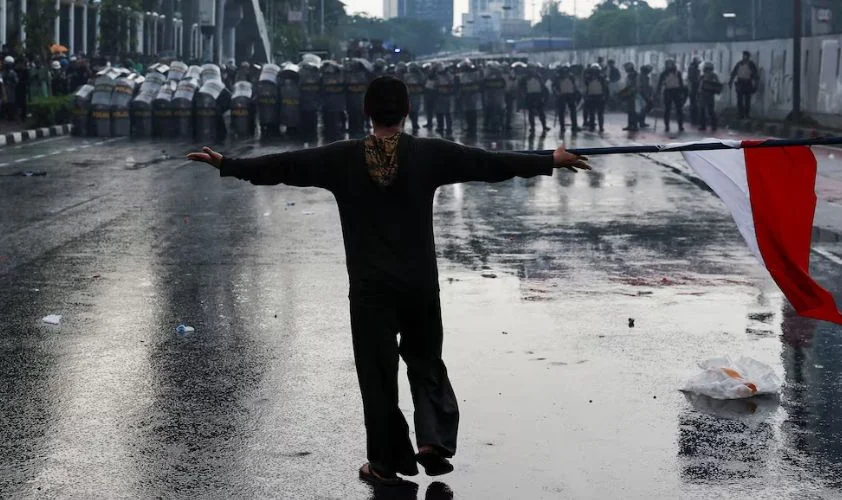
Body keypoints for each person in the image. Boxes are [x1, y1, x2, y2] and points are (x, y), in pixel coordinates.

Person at [186, 75, 590, 488]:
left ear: (366, 112)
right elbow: (490, 163)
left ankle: (385, 462)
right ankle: (432, 442)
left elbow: (285, 165)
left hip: (370, 289)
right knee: (426, 360)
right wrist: (549, 159)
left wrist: (228, 164)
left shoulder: (341, 158)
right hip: (419, 284)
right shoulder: (429, 154)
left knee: (377, 376)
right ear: (407, 111)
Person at [656, 59, 685, 133]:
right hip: (668, 91)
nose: (669, 65)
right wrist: (658, 92)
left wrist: (682, 92)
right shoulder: (664, 73)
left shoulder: (677, 73)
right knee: (667, 109)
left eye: (670, 63)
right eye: (668, 64)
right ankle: (667, 125)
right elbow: (659, 83)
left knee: (679, 109)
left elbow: (681, 83)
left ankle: (680, 125)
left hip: (677, 91)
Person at [729, 51, 758, 119]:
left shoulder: (751, 64)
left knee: (747, 100)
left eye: (746, 56)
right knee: (739, 100)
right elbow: (734, 73)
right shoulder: (739, 64)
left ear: (748, 57)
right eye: (744, 55)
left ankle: (746, 114)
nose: (745, 57)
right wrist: (730, 82)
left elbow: (755, 75)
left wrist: (756, 85)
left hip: (748, 83)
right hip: (740, 83)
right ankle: (740, 114)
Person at [583, 62, 608, 133]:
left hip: (597, 97)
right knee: (594, 113)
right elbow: (586, 86)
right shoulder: (591, 78)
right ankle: (595, 127)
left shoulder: (601, 78)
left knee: (596, 113)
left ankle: (597, 127)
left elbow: (605, 87)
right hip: (594, 97)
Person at [698, 61, 722, 132]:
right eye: (707, 69)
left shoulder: (713, 75)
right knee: (703, 110)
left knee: (710, 110)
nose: (707, 70)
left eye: (708, 69)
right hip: (704, 94)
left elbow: (717, 84)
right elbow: (700, 85)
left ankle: (713, 125)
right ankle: (704, 125)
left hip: (709, 94)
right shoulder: (703, 76)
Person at [618, 62, 638, 132]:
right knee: (630, 111)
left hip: (633, 95)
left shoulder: (633, 75)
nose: (625, 69)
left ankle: (634, 125)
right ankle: (631, 125)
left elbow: (632, 86)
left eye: (626, 68)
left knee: (632, 111)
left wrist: (624, 93)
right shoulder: (631, 74)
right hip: (631, 94)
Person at [687, 57, 701, 125]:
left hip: (695, 87)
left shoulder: (694, 68)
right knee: (694, 104)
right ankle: (694, 119)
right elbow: (692, 78)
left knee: (694, 103)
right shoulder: (693, 68)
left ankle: (694, 119)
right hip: (694, 87)